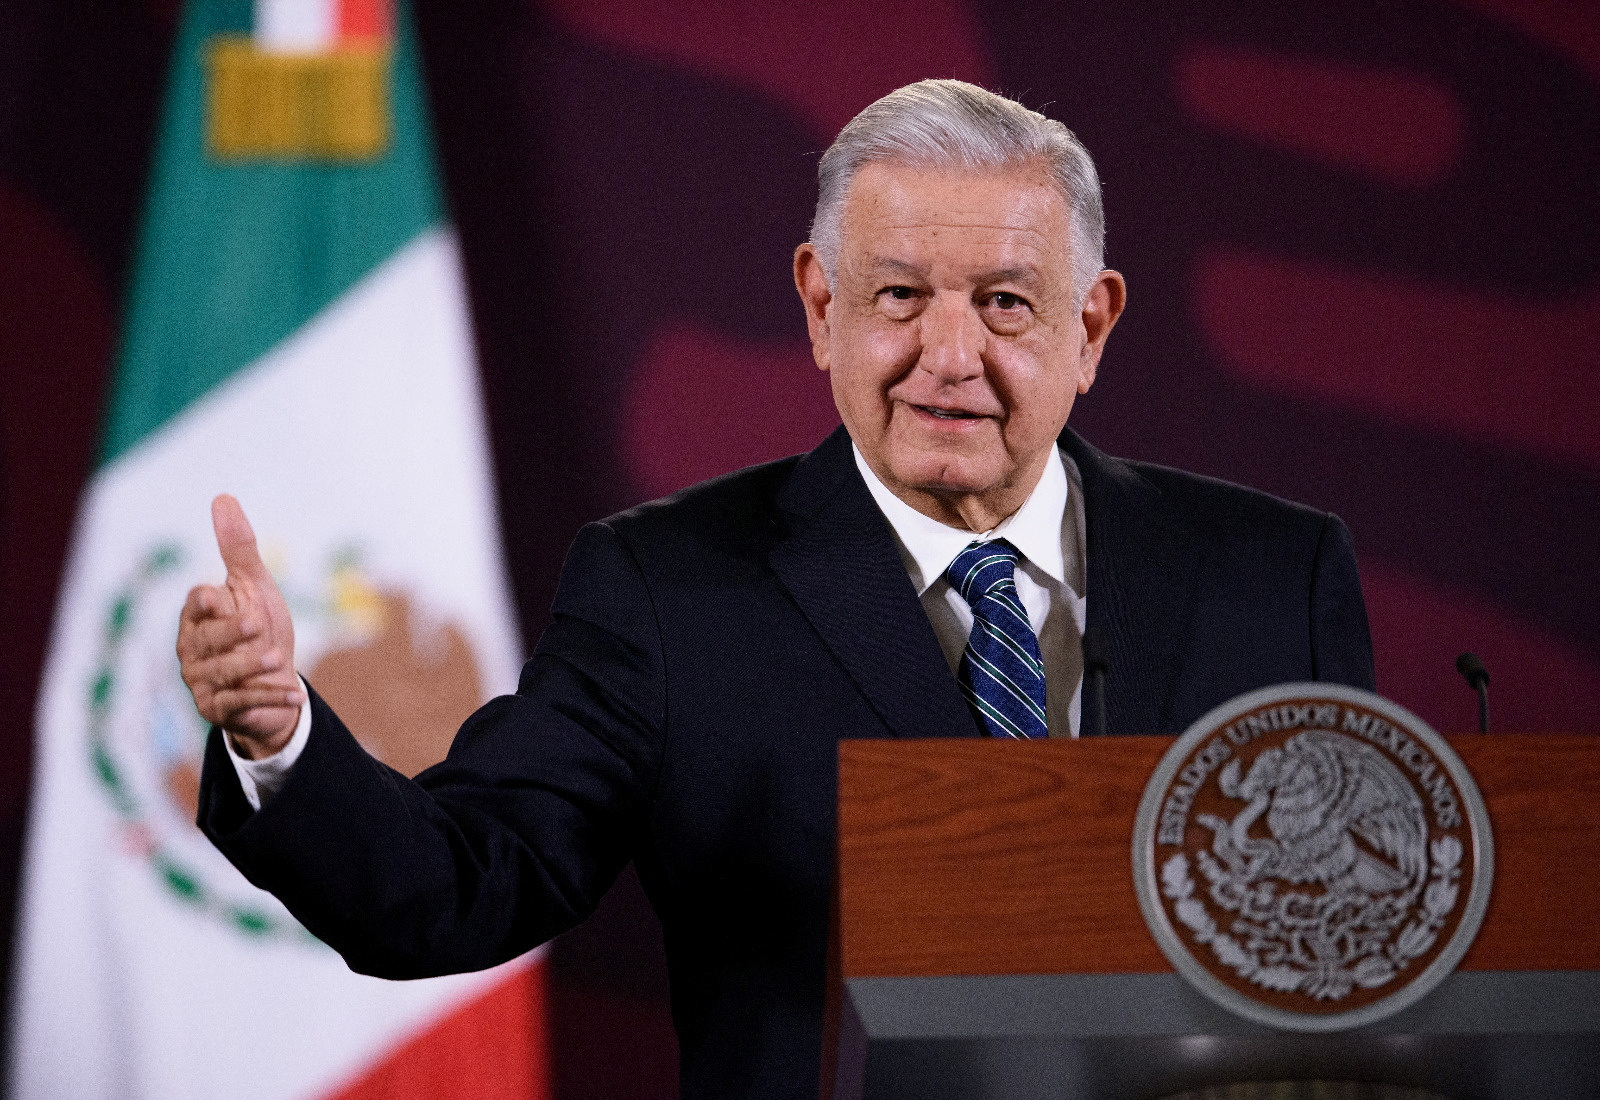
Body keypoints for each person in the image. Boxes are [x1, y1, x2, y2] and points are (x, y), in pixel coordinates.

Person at [179, 80, 1374, 1098]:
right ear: (820, 307)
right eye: (899, 295)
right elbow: (450, 891)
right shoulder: (668, 591)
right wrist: (279, 733)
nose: (947, 356)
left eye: (1004, 302)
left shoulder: (1271, 577)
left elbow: (1366, 953)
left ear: (1091, 325)